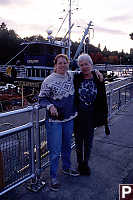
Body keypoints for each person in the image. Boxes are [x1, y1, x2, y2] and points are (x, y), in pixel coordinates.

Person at [38, 54, 79, 192]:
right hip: (54, 121)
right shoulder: (48, 81)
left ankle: (67, 168)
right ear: (55, 65)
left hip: (68, 119)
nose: (62, 65)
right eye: (59, 63)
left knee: (67, 146)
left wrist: (96, 72)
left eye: (64, 63)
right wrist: (50, 106)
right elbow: (42, 99)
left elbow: (86, 72)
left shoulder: (72, 76)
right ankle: (53, 177)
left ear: (68, 64)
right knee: (55, 151)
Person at [73, 53, 110, 176]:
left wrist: (104, 116)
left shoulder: (97, 78)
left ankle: (86, 164)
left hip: (91, 116)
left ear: (91, 65)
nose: (84, 67)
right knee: (78, 142)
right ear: (79, 66)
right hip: (78, 116)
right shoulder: (77, 78)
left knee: (88, 142)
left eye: (87, 64)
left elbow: (103, 97)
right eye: (82, 65)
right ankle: (79, 163)